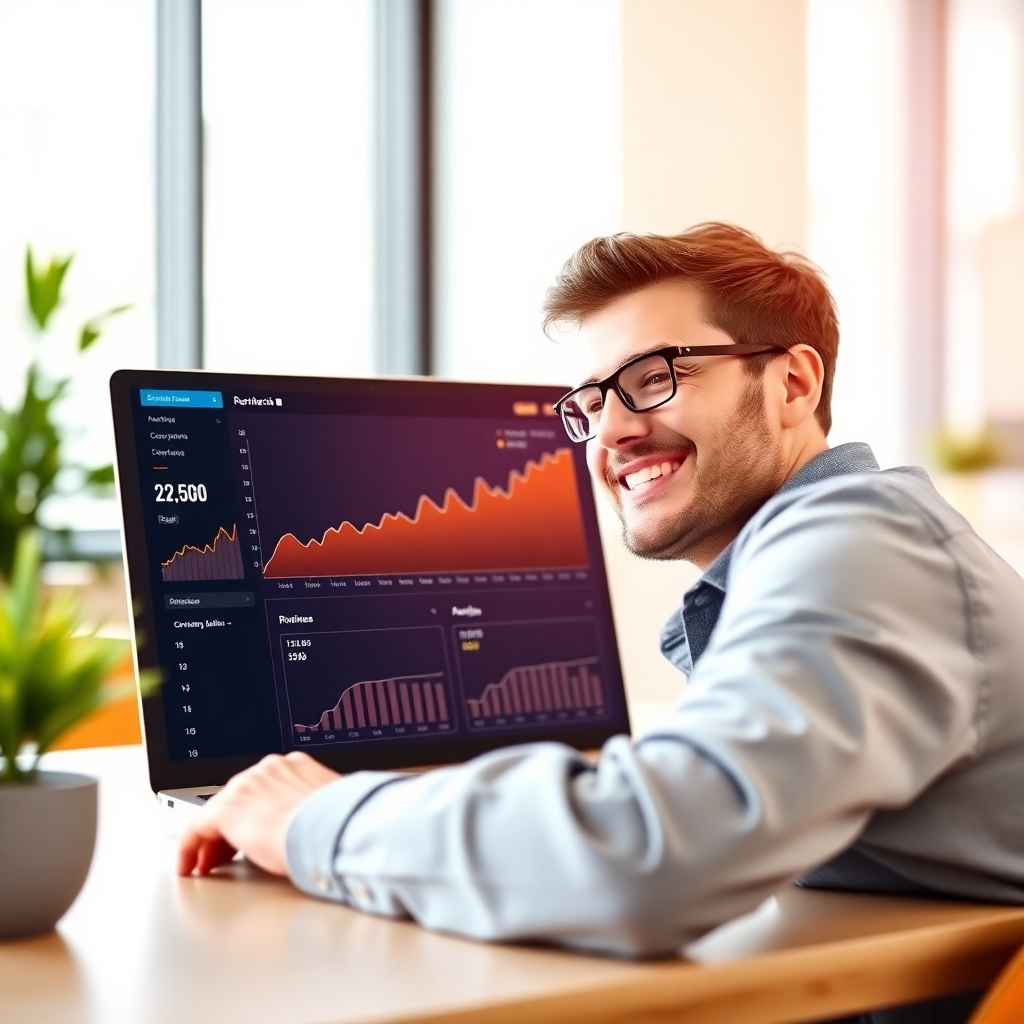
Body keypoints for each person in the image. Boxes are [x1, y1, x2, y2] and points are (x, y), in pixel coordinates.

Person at [179, 224, 1024, 1023]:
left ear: (793, 384)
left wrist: (316, 822)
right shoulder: (825, 548)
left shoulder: (860, 545)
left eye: (655, 376)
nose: (611, 430)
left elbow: (651, 854)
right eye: (588, 402)